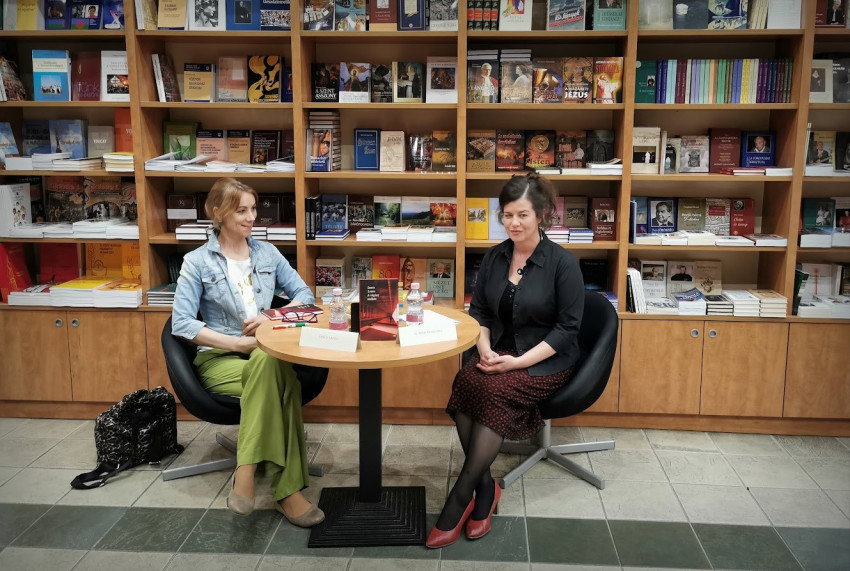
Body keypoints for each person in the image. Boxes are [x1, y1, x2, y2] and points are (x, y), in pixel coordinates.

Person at [426, 172, 584, 548]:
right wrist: (483, 348)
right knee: (467, 380)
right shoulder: (496, 257)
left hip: (544, 358)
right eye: (508, 215)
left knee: (493, 391)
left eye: (523, 215)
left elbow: (567, 330)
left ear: (541, 215)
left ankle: (460, 497)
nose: (514, 223)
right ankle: (486, 488)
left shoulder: (563, 263)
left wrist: (518, 362)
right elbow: (480, 311)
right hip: (498, 349)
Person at [171, 178, 324, 528]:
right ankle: (288, 493)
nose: (252, 217)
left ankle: (246, 469)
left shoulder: (267, 253)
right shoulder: (196, 262)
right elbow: (181, 323)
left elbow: (304, 295)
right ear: (218, 213)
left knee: (268, 362)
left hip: (265, 353)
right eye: (241, 210)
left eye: (253, 209)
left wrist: (271, 316)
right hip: (220, 358)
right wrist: (239, 344)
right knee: (283, 383)